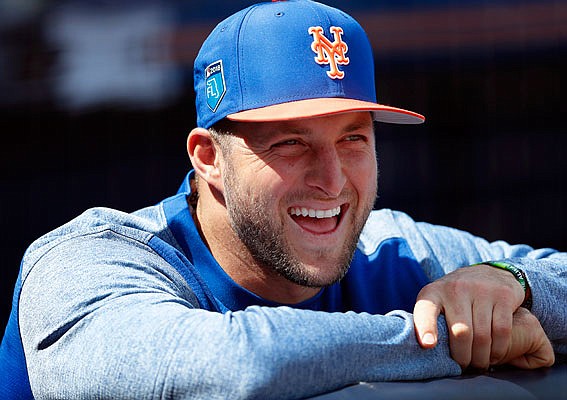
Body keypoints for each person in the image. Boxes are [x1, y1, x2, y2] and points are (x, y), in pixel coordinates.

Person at [1, 0, 565, 398]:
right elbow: (231, 368)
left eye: (353, 139)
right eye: (291, 142)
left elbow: (551, 274)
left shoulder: (388, 246)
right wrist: (451, 339)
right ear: (207, 157)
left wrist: (508, 282)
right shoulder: (86, 259)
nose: (332, 180)